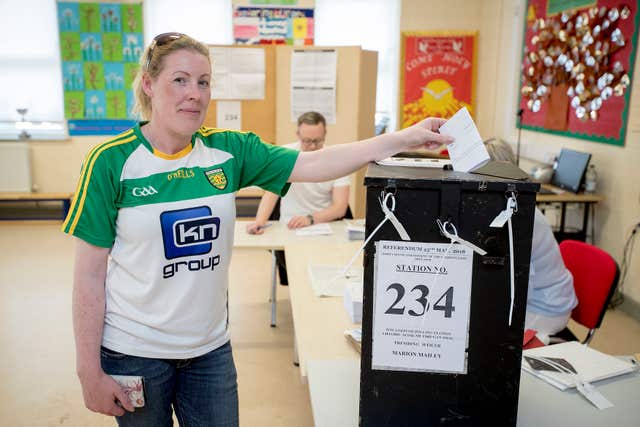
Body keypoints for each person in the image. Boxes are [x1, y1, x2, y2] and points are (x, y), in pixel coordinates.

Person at [62, 32, 453, 426]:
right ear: (149, 84)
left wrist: (405, 138)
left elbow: (315, 164)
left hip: (208, 349)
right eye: (179, 80)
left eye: (203, 81)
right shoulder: (110, 162)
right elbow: (89, 277)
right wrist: (88, 372)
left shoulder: (229, 151)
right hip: (135, 350)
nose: (194, 93)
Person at [483, 138, 577, 342]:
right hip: (538, 296)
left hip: (546, 308)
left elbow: (522, 285)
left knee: (486, 333)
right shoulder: (504, 205)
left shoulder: (521, 216)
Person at [246, 111, 350, 285]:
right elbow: (271, 194)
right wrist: (259, 221)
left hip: (323, 227)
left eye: (317, 141)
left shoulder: (337, 159)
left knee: (324, 274)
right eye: (306, 141)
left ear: (324, 135)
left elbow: (340, 207)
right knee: (298, 273)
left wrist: (310, 219)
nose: (311, 146)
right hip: (290, 226)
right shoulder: (285, 155)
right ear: (298, 135)